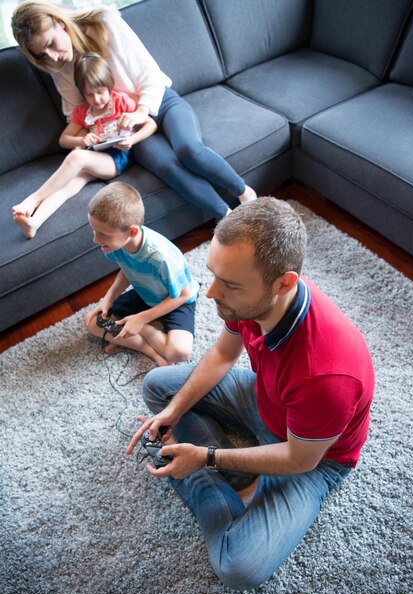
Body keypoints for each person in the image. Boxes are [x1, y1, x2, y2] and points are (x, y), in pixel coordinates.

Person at [126, 197, 375, 590]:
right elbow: (224, 354)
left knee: (237, 566)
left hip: (313, 455)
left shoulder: (326, 374)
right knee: (158, 387)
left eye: (229, 284)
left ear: (284, 284)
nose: (210, 293)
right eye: (213, 274)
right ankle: (238, 473)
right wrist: (175, 411)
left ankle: (214, 475)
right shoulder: (250, 305)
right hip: (267, 398)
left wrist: (206, 458)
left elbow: (299, 458)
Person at [11, 1, 256, 225]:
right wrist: (96, 135)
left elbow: (149, 74)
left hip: (160, 103)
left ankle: (246, 194)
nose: (53, 57)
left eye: (51, 44)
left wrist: (140, 111)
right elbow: (78, 113)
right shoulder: (59, 68)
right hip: (129, 131)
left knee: (188, 150)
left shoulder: (104, 23)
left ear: (60, 23)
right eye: (43, 55)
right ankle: (227, 217)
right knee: (167, 166)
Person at [12, 52, 157, 239]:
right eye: (90, 94)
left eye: (100, 91)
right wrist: (82, 140)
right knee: (69, 186)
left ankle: (33, 199)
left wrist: (131, 140)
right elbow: (63, 140)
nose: (96, 99)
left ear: (109, 86)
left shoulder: (121, 102)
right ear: (82, 93)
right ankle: (34, 223)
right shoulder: (83, 112)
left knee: (75, 157)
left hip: (116, 159)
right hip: (94, 156)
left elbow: (151, 124)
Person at [85, 181, 199, 366]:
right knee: (91, 321)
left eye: (103, 235)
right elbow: (126, 268)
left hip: (174, 299)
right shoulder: (117, 244)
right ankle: (150, 352)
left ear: (132, 231)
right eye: (94, 231)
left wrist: (141, 320)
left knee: (179, 352)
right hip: (144, 293)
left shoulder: (160, 257)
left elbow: (184, 294)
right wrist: (109, 298)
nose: (95, 239)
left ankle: (142, 330)